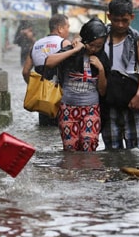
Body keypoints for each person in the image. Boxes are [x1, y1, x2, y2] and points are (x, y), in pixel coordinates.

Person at [45, 18, 110, 152]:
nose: (94, 49)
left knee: (89, 144)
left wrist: (101, 69)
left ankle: (87, 173)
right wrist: (74, 51)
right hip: (68, 109)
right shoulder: (72, 51)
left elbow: (103, 91)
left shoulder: (102, 58)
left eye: (99, 46)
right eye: (92, 45)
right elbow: (49, 62)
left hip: (91, 109)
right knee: (70, 149)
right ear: (85, 39)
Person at [102, 0, 139, 149]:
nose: (120, 24)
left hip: (131, 97)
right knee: (111, 148)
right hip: (107, 97)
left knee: (135, 147)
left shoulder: (136, 38)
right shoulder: (100, 36)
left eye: (125, 20)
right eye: (116, 20)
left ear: (132, 17)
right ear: (109, 16)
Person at [22, 14, 71, 126]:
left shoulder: (35, 45)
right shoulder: (64, 44)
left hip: (42, 101)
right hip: (61, 99)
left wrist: (35, 86)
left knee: (44, 129)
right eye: (67, 26)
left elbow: (25, 72)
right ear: (60, 28)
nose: (68, 30)